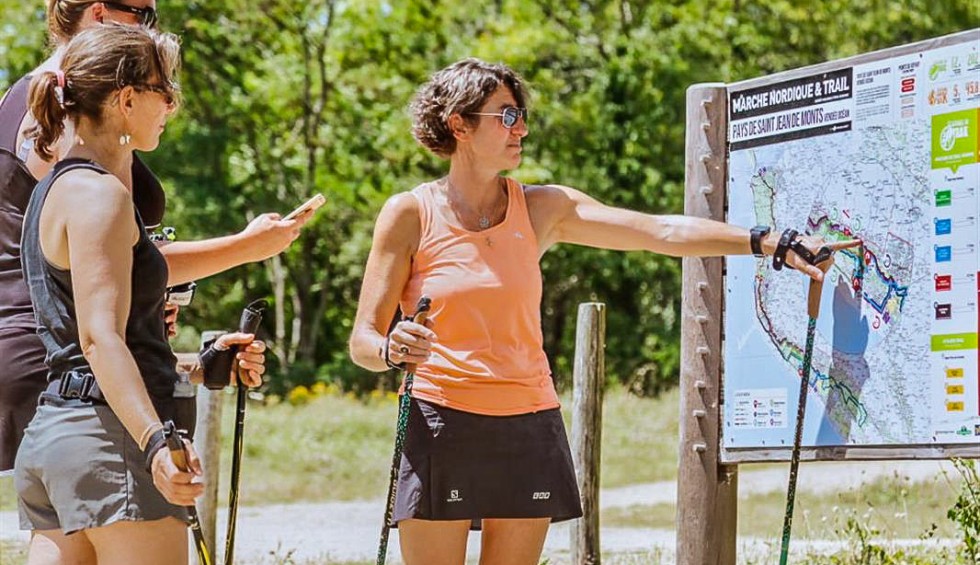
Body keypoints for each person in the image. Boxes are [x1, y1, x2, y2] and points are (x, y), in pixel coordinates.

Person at [348, 58, 859, 565]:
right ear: (459, 123)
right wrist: (392, 350)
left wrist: (768, 241)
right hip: (442, 417)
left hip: (527, 419)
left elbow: (659, 232)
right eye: (505, 115)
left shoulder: (543, 208)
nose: (521, 127)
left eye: (521, 114)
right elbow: (364, 342)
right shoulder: (410, 214)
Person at [0, 0, 311, 473]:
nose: (171, 101)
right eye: (143, 15)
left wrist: (190, 362)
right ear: (100, 16)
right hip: (67, 373)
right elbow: (97, 315)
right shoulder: (73, 146)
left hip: (63, 369)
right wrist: (249, 247)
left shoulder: (37, 105)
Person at [14, 24, 268, 565]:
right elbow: (98, 339)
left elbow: (91, 346)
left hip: (56, 440)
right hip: (111, 444)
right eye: (165, 91)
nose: (171, 106)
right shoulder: (99, 196)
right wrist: (155, 441)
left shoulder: (51, 190)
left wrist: (198, 367)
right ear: (127, 99)